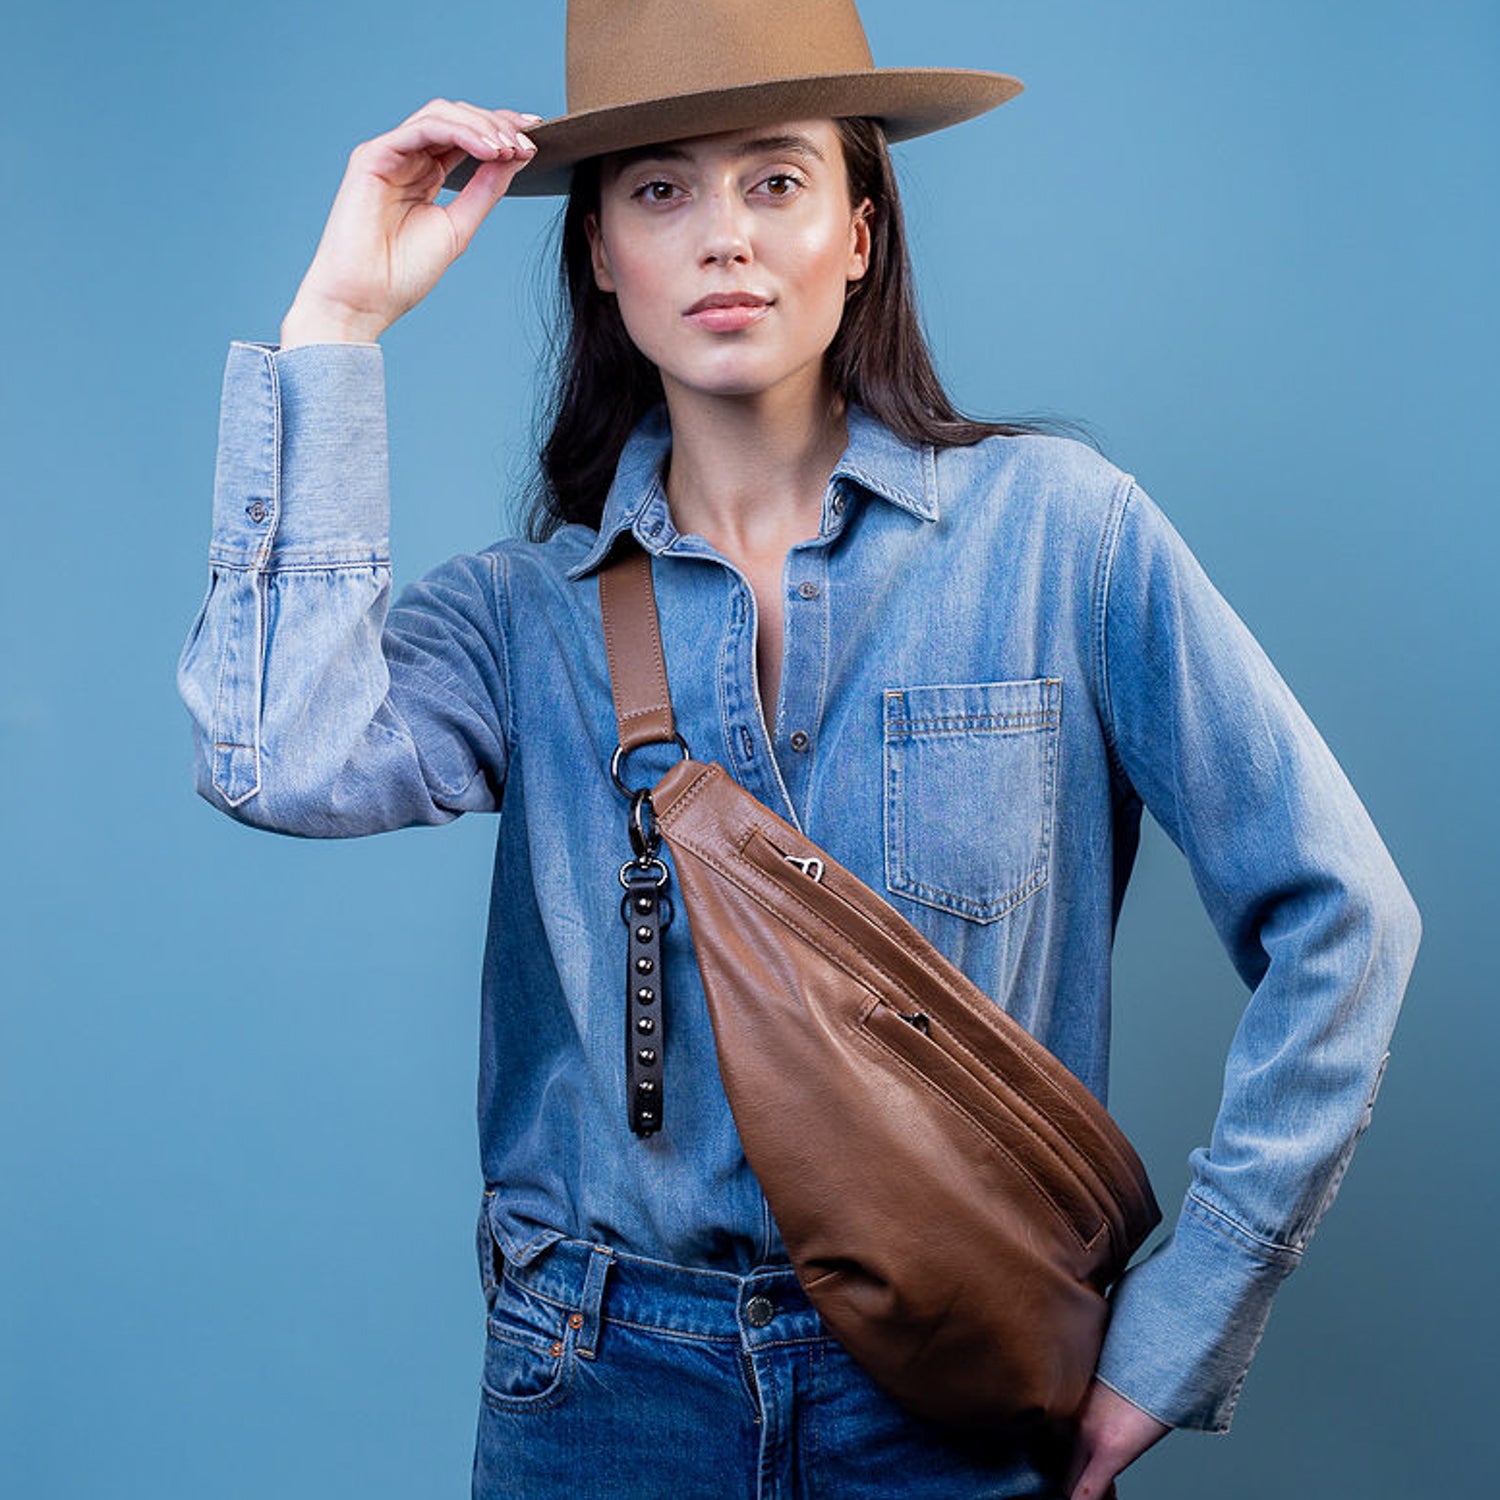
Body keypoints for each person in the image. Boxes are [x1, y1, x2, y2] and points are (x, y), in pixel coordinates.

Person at [176, 2, 1421, 1496]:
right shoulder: (526, 619)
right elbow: (278, 757)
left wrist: (1178, 1327)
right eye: (659, 189)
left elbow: (1346, 920)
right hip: (595, 1388)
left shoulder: (1060, 535)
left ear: (861, 232)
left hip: (951, 1393)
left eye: (776, 181)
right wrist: (337, 324)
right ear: (598, 254)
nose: (723, 238)